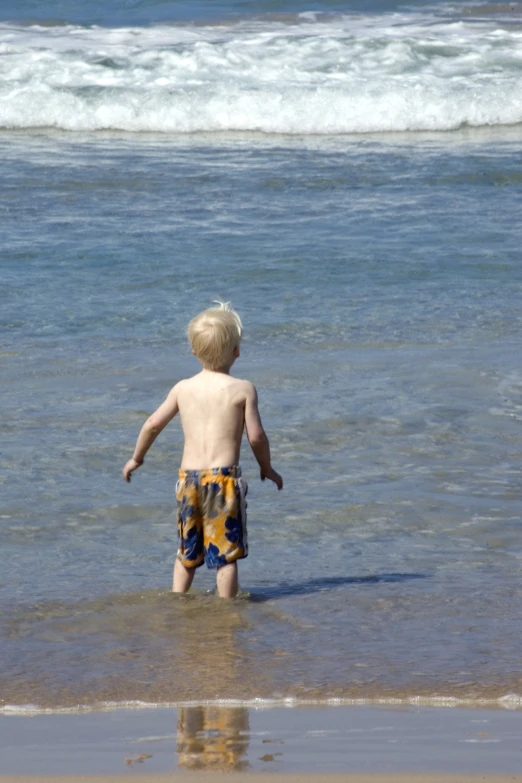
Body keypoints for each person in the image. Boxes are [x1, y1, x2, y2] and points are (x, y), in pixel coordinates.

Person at [122, 301, 283, 598]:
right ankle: (227, 610)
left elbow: (152, 424)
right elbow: (257, 437)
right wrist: (266, 467)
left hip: (189, 482)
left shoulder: (183, 388)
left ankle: (177, 602)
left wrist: (136, 458)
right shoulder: (243, 388)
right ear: (236, 351)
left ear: (194, 352)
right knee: (226, 555)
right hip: (223, 482)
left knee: (187, 552)